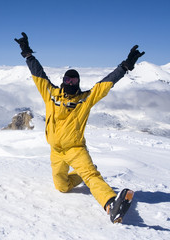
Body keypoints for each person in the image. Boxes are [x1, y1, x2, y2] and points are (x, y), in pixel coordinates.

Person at [14, 32, 144, 223]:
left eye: (74, 81)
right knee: (61, 187)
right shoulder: (51, 94)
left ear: (79, 83)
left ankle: (111, 204)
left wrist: (125, 66)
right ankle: (80, 176)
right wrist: (27, 54)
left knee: (91, 175)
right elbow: (38, 75)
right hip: (56, 151)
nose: (70, 83)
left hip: (75, 149)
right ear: (63, 81)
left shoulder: (85, 99)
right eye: (67, 80)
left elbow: (106, 84)